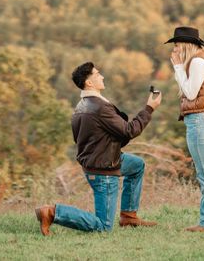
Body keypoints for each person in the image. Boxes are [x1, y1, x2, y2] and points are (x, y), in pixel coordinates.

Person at [35, 61, 162, 235]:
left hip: (103, 161)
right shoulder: (100, 107)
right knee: (103, 226)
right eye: (97, 74)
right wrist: (149, 109)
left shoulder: (81, 106)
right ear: (89, 82)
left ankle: (128, 216)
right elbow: (130, 130)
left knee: (137, 165)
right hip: (103, 171)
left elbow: (83, 138)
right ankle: (52, 212)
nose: (101, 76)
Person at [165, 26, 204, 232]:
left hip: (199, 122)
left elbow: (190, 93)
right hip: (199, 120)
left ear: (186, 45)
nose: (174, 51)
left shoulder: (197, 62)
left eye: (177, 46)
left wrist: (178, 67)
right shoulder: (198, 60)